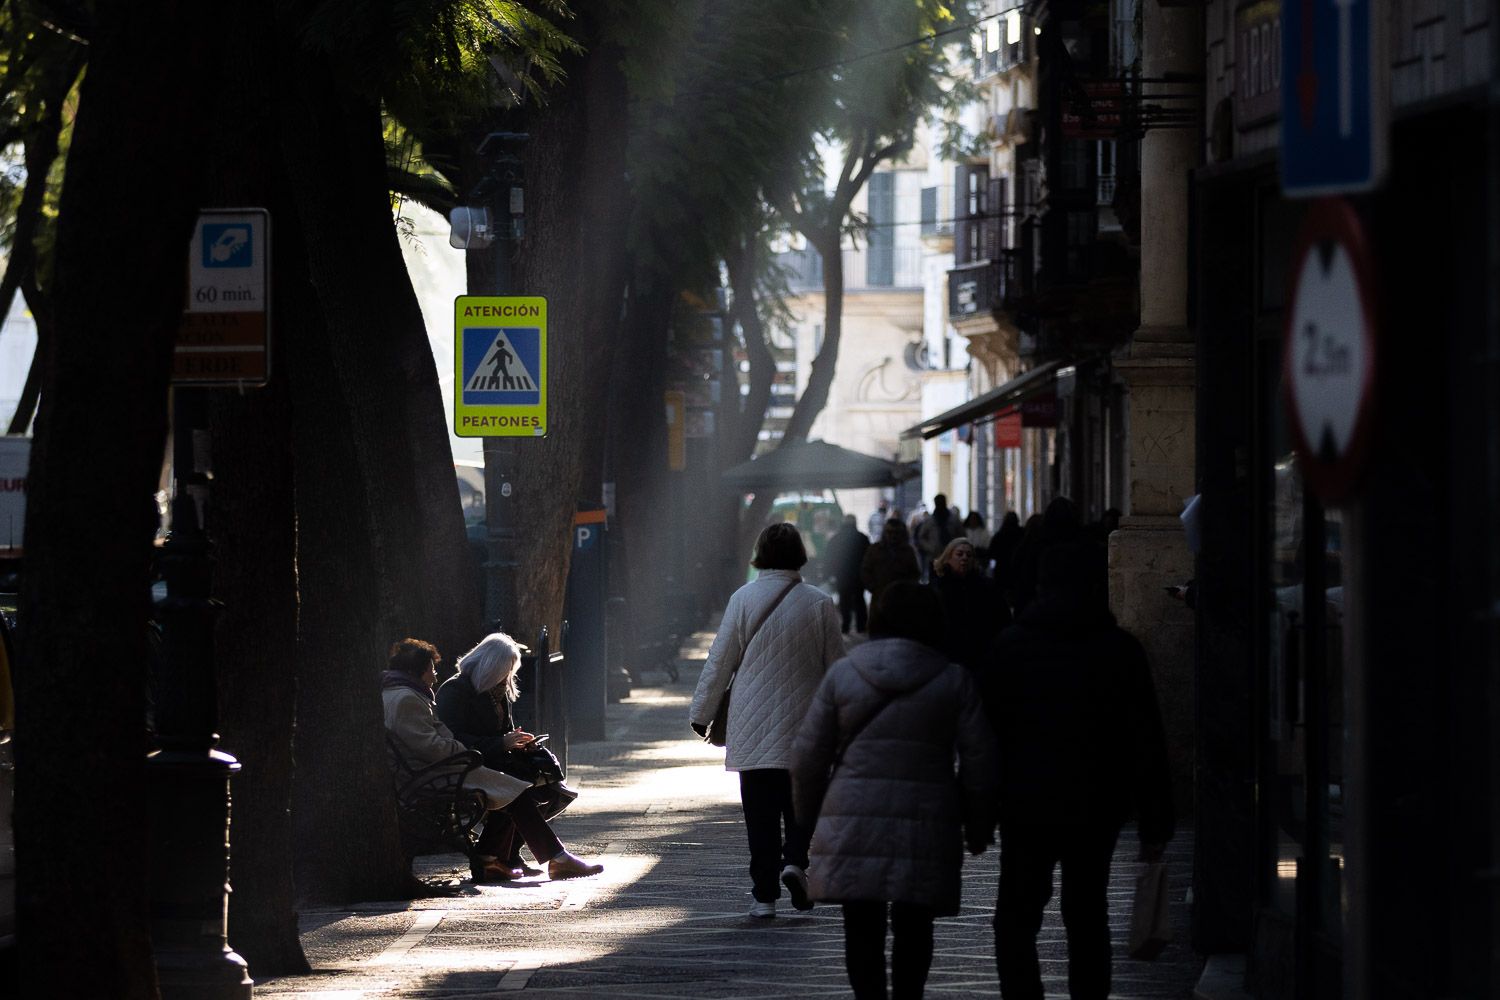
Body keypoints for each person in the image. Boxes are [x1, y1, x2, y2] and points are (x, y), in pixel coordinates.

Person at [974, 543, 1174, 1000]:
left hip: (1025, 804)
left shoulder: (1010, 648)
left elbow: (983, 737)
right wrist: (1155, 819)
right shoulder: (1120, 650)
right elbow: (1146, 738)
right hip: (1097, 805)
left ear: (1040, 586)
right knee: (1087, 914)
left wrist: (979, 811)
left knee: (1017, 917)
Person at [790, 582, 997, 1000]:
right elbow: (980, 760)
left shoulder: (843, 674)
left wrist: (806, 819)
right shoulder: (954, 679)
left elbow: (808, 757)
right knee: (915, 928)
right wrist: (977, 825)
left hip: (852, 819)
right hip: (927, 820)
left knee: (860, 927)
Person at [689, 522, 845, 918]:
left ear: (760, 554)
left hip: (751, 726)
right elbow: (836, 668)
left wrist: (701, 713)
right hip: (806, 727)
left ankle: (763, 896)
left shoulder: (743, 599)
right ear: (799, 555)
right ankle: (795, 860)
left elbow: (720, 661)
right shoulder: (819, 603)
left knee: (759, 817)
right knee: (801, 807)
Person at [382, 638, 601, 884]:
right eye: (431, 669)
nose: (435, 676)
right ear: (418, 670)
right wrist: (467, 748)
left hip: (444, 768)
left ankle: (490, 858)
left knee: (515, 787)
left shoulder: (408, 694)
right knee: (514, 791)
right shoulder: (408, 698)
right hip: (438, 773)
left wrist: (514, 741)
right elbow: (430, 746)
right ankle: (555, 858)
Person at [929, 537, 1010, 671]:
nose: (964, 558)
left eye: (969, 555)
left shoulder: (986, 586)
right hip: (948, 652)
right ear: (948, 557)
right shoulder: (938, 588)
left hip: (980, 652)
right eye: (959, 554)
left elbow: (1001, 617)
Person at [860, 518, 921, 627]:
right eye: (889, 532)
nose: (893, 536)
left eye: (896, 533)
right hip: (879, 595)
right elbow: (865, 570)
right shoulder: (874, 549)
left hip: (901, 598)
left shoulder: (907, 551)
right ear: (885, 532)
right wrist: (873, 587)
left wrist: (908, 590)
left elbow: (914, 573)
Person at [825, 514, 872, 634]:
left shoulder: (836, 539)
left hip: (842, 576)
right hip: (858, 576)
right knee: (859, 600)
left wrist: (830, 574)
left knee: (844, 600)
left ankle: (845, 626)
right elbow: (869, 557)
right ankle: (861, 626)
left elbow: (829, 558)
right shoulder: (863, 538)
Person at [914, 494, 958, 582]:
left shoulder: (953, 520)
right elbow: (921, 537)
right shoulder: (930, 520)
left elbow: (961, 535)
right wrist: (930, 547)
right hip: (934, 556)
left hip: (951, 555)